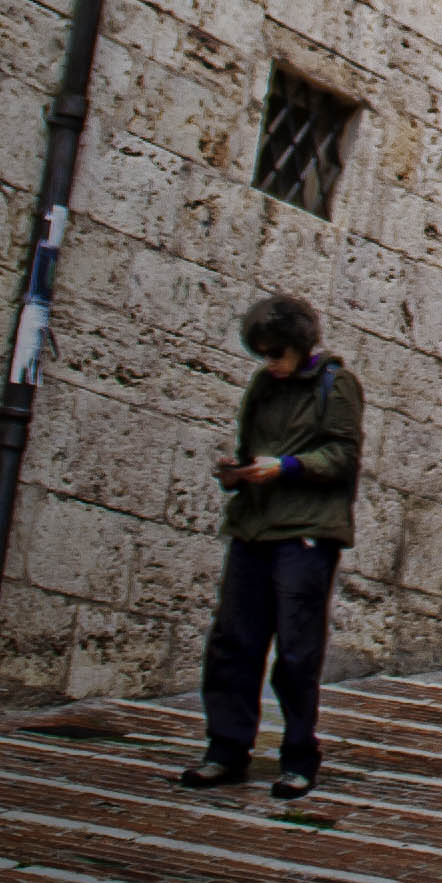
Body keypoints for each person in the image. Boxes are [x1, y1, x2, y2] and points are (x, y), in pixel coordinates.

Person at [179, 293, 363, 797]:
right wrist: (239, 475)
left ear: (300, 345)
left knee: (297, 653)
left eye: (277, 353)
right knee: (232, 644)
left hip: (304, 536)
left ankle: (299, 756)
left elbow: (343, 456)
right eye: (263, 353)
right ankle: (226, 750)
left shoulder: (336, 384)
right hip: (254, 528)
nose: (271, 363)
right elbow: (248, 447)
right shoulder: (263, 386)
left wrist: (286, 466)